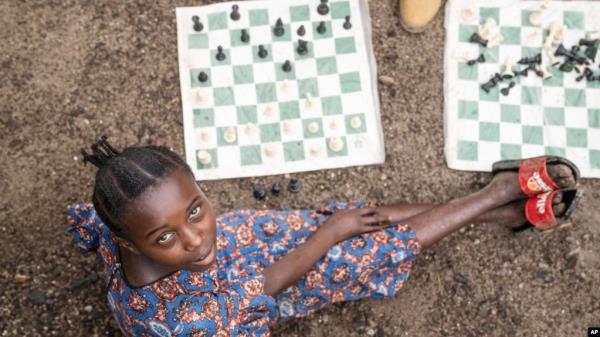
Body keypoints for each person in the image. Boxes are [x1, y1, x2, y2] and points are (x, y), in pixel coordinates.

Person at [67, 136, 581, 337]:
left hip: (248, 248)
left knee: (356, 219)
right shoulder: (190, 321)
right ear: (129, 243)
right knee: (363, 245)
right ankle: (495, 196)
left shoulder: (116, 221)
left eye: (196, 210)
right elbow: (270, 281)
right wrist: (330, 233)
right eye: (165, 237)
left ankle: (497, 213)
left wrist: (333, 225)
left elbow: (194, 238)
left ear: (199, 189)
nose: (197, 239)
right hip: (268, 283)